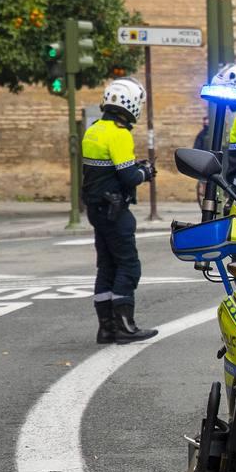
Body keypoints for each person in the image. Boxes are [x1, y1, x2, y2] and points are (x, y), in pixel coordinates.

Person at [81, 78, 158, 344]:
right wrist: (145, 172)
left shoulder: (93, 130)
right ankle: (126, 326)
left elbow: (105, 170)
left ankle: (106, 327)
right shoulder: (119, 133)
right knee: (128, 265)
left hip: (96, 209)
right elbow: (128, 176)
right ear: (130, 104)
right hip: (115, 210)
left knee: (106, 266)